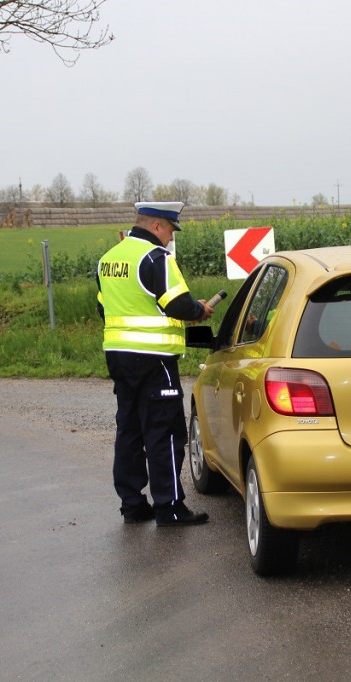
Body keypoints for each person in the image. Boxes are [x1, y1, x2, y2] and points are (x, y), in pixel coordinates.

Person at [96, 202, 214, 526]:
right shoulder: (156, 258)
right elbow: (177, 303)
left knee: (130, 430)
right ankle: (170, 507)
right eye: (170, 232)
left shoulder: (109, 260)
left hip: (119, 358)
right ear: (158, 226)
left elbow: (103, 309)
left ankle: (133, 505)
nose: (169, 240)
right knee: (165, 431)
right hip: (155, 360)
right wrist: (199, 310)